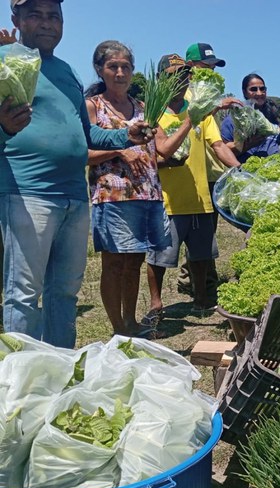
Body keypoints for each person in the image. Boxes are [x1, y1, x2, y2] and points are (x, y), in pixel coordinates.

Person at [0, 0, 153, 348]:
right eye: (35, 15)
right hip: (27, 192)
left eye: (54, 16)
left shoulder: (66, 71)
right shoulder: (4, 61)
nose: (46, 23)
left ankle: (58, 368)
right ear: (16, 19)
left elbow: (86, 133)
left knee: (65, 292)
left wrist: (125, 135)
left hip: (73, 197)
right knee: (23, 294)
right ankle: (19, 382)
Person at [145, 54, 240, 325]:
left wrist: (239, 170)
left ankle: (201, 299)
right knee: (160, 257)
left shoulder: (200, 110)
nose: (181, 79)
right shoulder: (154, 113)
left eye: (185, 74)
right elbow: (148, 155)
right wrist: (166, 159)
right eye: (174, 75)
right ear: (161, 79)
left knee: (201, 254)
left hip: (199, 197)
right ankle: (156, 303)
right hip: (167, 199)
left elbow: (218, 145)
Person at [85, 41, 169, 339]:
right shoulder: (93, 106)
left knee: (134, 262)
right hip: (114, 195)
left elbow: (162, 149)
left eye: (126, 67)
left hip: (146, 193)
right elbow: (84, 152)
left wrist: (192, 121)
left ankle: (131, 322)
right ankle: (118, 328)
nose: (120, 73)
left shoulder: (144, 108)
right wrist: (120, 150)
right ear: (100, 69)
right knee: (115, 262)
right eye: (113, 67)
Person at [220, 73, 280, 163]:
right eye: (253, 89)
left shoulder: (272, 117)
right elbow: (223, 151)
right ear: (244, 92)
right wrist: (248, 144)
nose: (259, 93)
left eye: (262, 89)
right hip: (244, 173)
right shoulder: (232, 121)